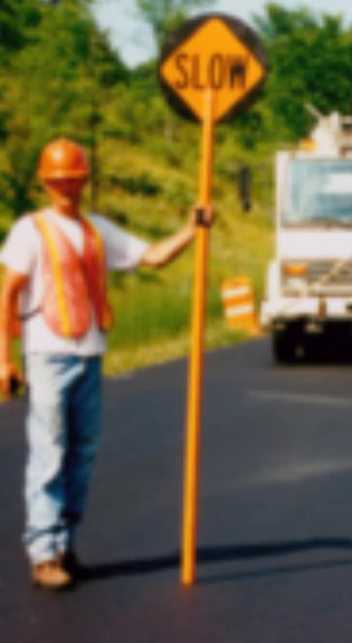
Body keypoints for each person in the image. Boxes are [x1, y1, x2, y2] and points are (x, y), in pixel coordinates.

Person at [0, 138, 213, 590]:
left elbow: (151, 256)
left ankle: (64, 544)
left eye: (73, 179)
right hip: (47, 354)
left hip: (90, 354)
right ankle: (43, 552)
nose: (65, 187)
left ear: (83, 181)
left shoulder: (97, 229)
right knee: (49, 453)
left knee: (82, 454)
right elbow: (8, 293)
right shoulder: (28, 230)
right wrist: (4, 359)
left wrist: (192, 230)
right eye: (57, 180)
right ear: (45, 182)